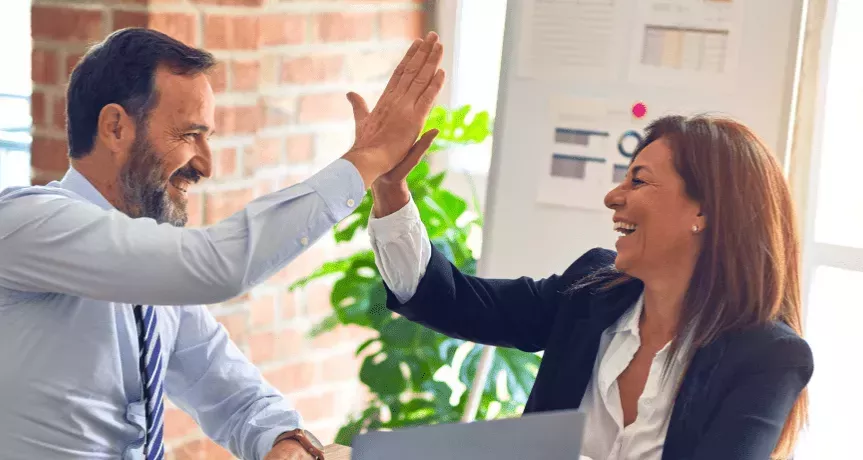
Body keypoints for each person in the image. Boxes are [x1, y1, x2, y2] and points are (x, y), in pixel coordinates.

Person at [0, 27, 445, 460]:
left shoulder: (154, 274)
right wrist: (365, 161)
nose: (206, 165)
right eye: (189, 134)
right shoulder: (25, 223)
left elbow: (229, 391)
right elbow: (218, 265)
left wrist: (284, 440)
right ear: (116, 128)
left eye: (207, 137)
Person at [367, 114, 814, 460]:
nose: (613, 196)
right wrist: (391, 191)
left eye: (638, 180)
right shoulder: (591, 291)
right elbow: (455, 301)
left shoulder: (768, 357)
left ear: (705, 212)